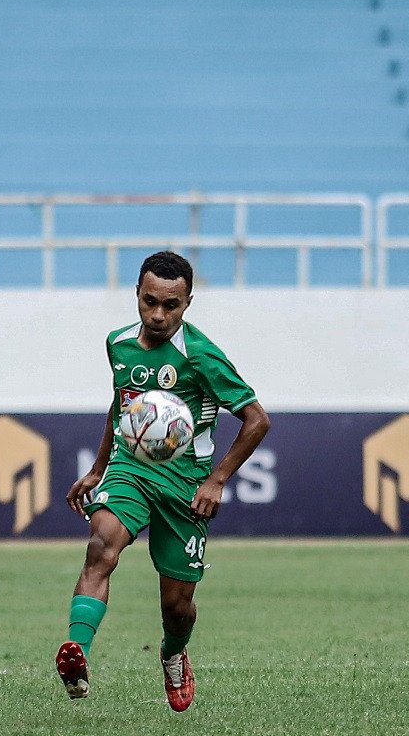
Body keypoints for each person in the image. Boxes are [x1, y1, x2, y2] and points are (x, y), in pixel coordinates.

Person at [57, 250, 269, 710]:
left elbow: (256, 420)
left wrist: (217, 480)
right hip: (131, 469)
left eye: (170, 305)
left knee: (176, 605)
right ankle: (77, 653)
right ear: (136, 293)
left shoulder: (203, 355)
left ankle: (174, 653)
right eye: (149, 301)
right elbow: (121, 407)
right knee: (101, 545)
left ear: (188, 301)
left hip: (185, 486)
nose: (158, 314)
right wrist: (98, 468)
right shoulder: (118, 343)